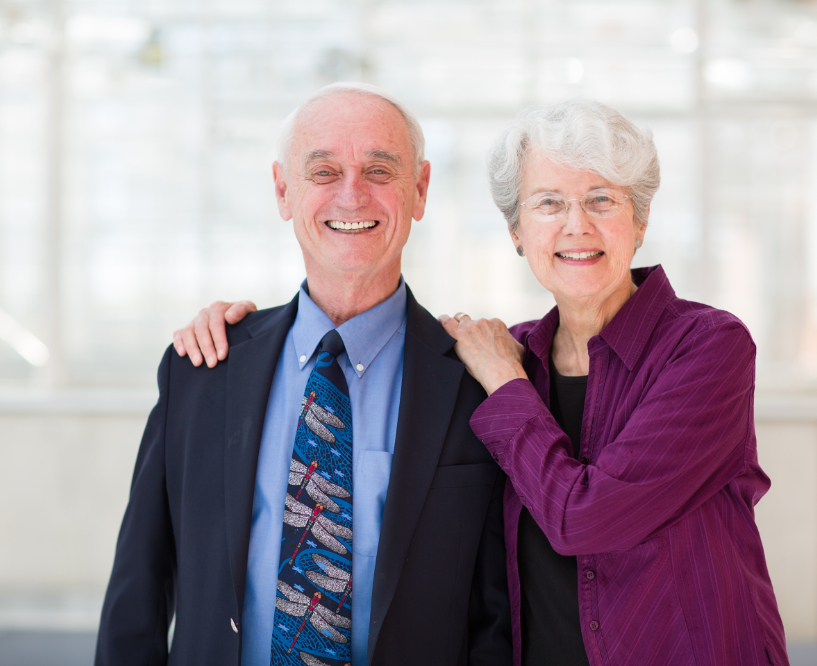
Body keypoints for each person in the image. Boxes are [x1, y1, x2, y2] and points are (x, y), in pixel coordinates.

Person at [174, 99, 789, 666]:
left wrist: (503, 381)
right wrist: (236, 332)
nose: (576, 226)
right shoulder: (511, 355)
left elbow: (587, 520)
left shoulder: (705, 347)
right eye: (548, 202)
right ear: (517, 232)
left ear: (642, 219)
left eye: (601, 199)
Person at [95, 83, 512, 666]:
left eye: (379, 170)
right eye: (323, 172)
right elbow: (137, 592)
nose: (352, 195)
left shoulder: (478, 384)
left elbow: (500, 617)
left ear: (419, 190)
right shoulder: (204, 368)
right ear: (282, 189)